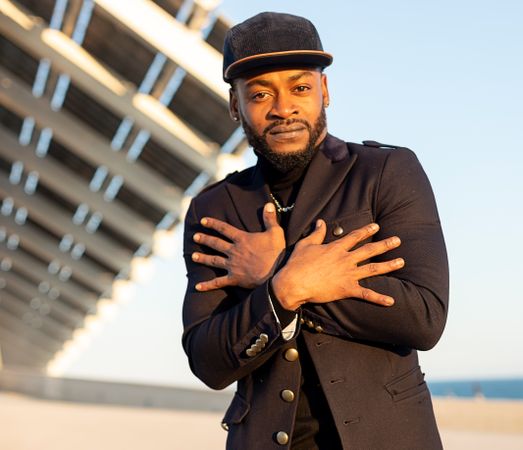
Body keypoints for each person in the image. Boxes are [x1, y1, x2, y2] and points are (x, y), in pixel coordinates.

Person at [181, 11, 449, 449]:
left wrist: (274, 268)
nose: (283, 108)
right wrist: (283, 290)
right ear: (235, 105)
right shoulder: (214, 209)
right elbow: (208, 362)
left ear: (324, 90)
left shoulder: (386, 173)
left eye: (300, 87)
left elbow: (424, 318)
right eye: (261, 93)